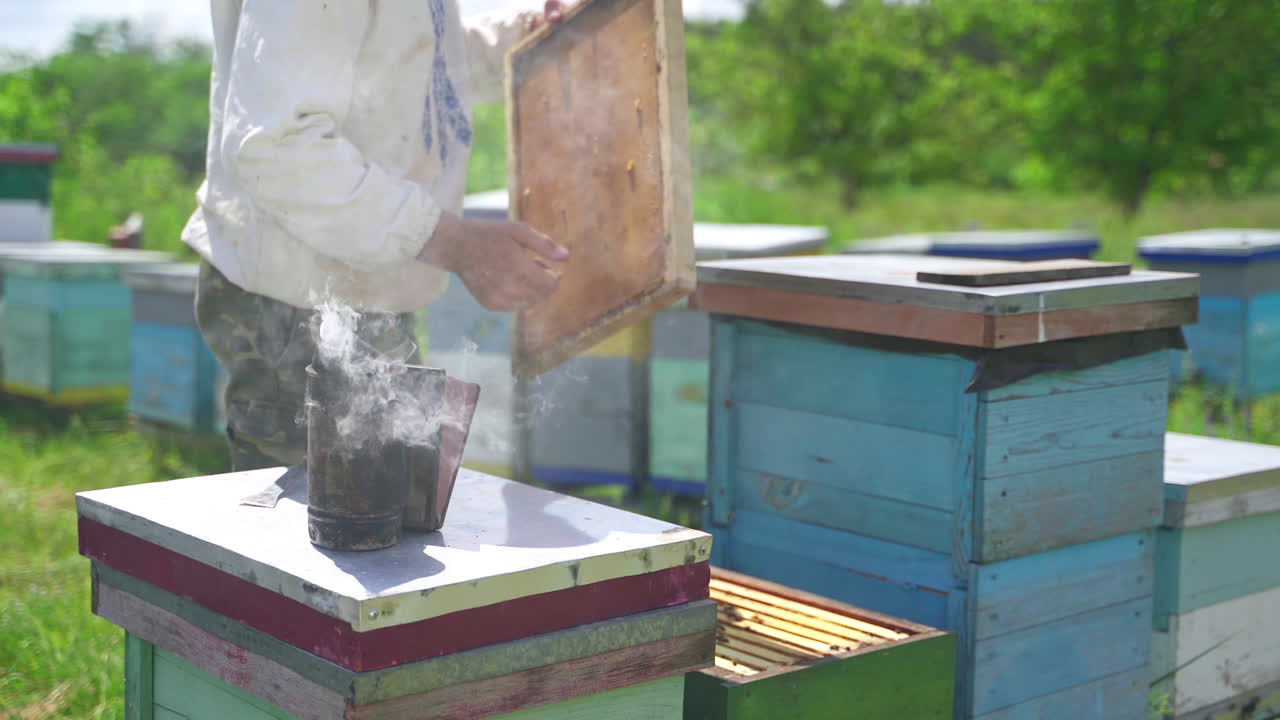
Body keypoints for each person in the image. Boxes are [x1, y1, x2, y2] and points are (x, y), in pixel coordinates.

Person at [184, 0, 571, 471]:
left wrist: (526, 35)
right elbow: (275, 148)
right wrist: (454, 242)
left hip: (369, 284)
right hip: (295, 302)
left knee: (393, 506)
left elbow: (410, 56)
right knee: (317, 529)